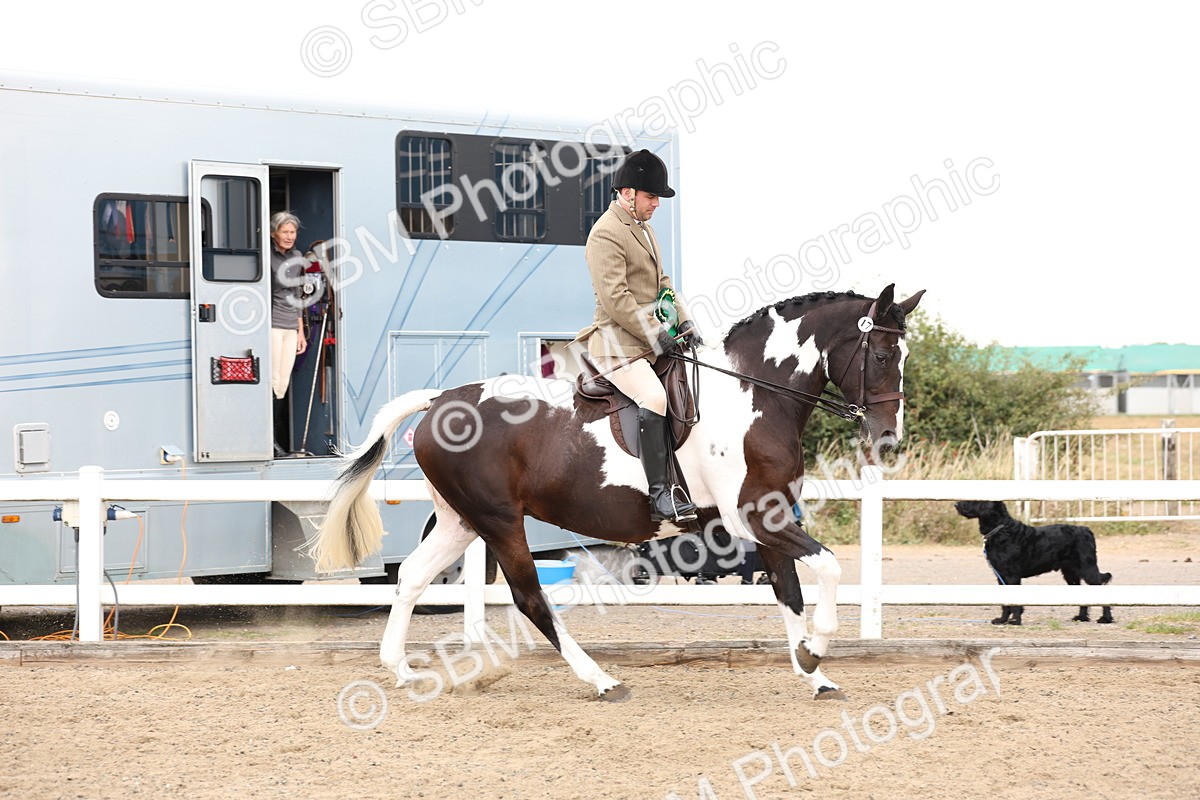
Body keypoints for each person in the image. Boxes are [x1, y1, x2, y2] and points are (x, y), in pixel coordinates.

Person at [573, 149, 703, 523]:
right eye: (651, 196)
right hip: (618, 344)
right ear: (628, 193)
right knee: (653, 395)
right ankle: (660, 494)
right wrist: (655, 334)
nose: (656, 204)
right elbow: (616, 299)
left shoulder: (644, 230)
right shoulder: (605, 233)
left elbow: (662, 284)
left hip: (649, 339)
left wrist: (685, 322)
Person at [269, 211, 308, 457]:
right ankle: (269, 439)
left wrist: (301, 331)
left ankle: (275, 439)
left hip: (290, 325)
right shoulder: (268, 255)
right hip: (271, 323)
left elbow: (299, 297)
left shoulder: (297, 257)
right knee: (272, 381)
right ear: (275, 233)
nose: (289, 236)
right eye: (285, 231)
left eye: (292, 232)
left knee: (283, 384)